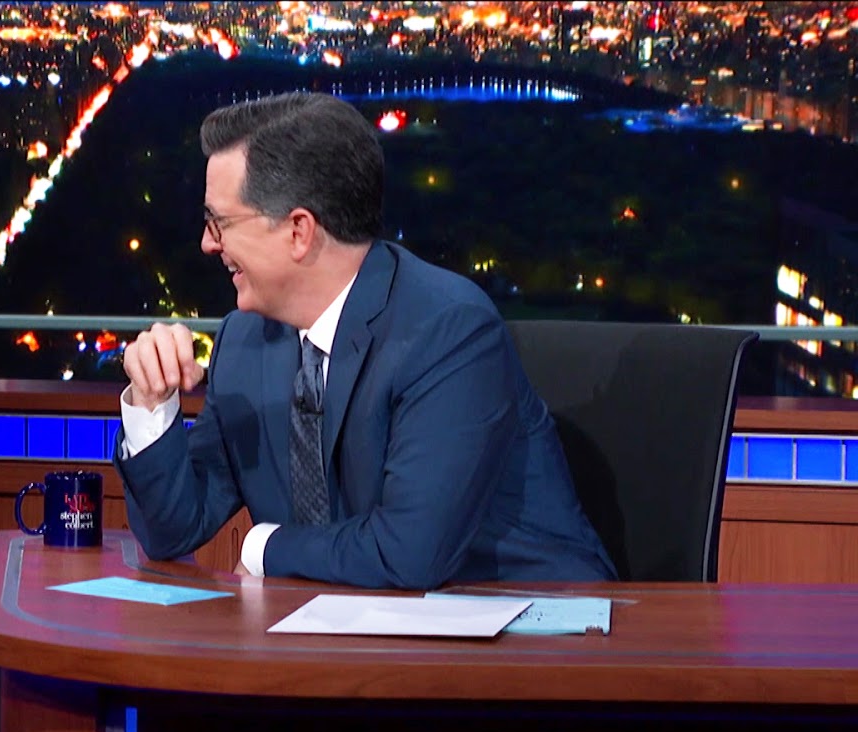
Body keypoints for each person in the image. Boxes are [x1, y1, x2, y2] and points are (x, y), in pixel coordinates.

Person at [116, 93, 613, 588]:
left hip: (527, 617)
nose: (207, 243)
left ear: (298, 231)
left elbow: (410, 553)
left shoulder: (447, 332)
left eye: (219, 223)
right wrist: (151, 403)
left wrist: (263, 546)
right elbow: (173, 530)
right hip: (347, 625)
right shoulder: (244, 343)